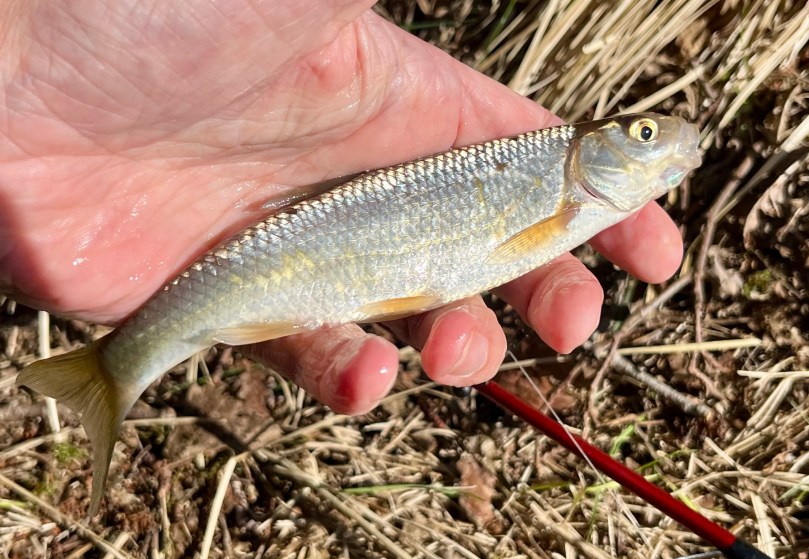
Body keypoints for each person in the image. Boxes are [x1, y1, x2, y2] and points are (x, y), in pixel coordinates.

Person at [0, 1, 683, 415]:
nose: (656, 142)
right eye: (643, 134)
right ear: (593, 149)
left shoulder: (561, 188)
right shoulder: (558, 179)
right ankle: (113, 369)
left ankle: (113, 369)